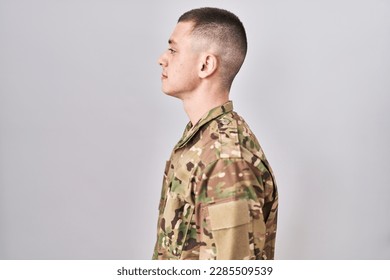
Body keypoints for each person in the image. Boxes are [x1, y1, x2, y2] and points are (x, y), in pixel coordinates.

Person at [152, 7, 278, 260]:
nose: (162, 59)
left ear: (206, 64)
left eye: (173, 50)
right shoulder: (200, 138)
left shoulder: (227, 159)